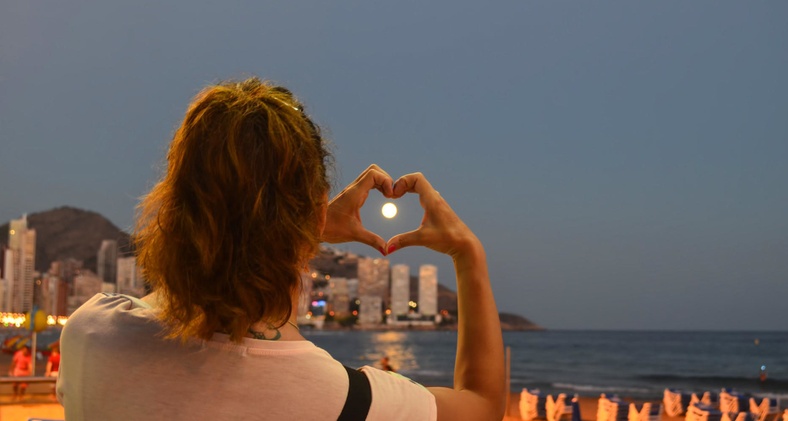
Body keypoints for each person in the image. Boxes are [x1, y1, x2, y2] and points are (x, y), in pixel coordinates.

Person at [57, 77, 504, 420]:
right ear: (314, 212)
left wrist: (300, 225)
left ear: (174, 204)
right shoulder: (350, 402)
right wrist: (468, 254)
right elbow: (482, 405)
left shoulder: (92, 335)